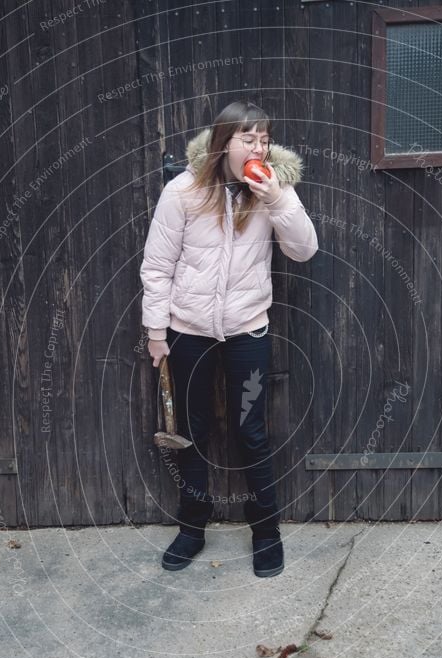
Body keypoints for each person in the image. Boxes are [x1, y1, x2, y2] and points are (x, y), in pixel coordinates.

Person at [140, 101, 318, 577]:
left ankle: (267, 534)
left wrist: (278, 199)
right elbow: (157, 267)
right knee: (193, 434)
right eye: (248, 138)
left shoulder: (273, 189)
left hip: (247, 331)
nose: (258, 146)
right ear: (224, 143)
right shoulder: (183, 191)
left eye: (264, 138)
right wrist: (157, 331)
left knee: (250, 432)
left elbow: (304, 251)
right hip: (188, 332)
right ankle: (192, 529)